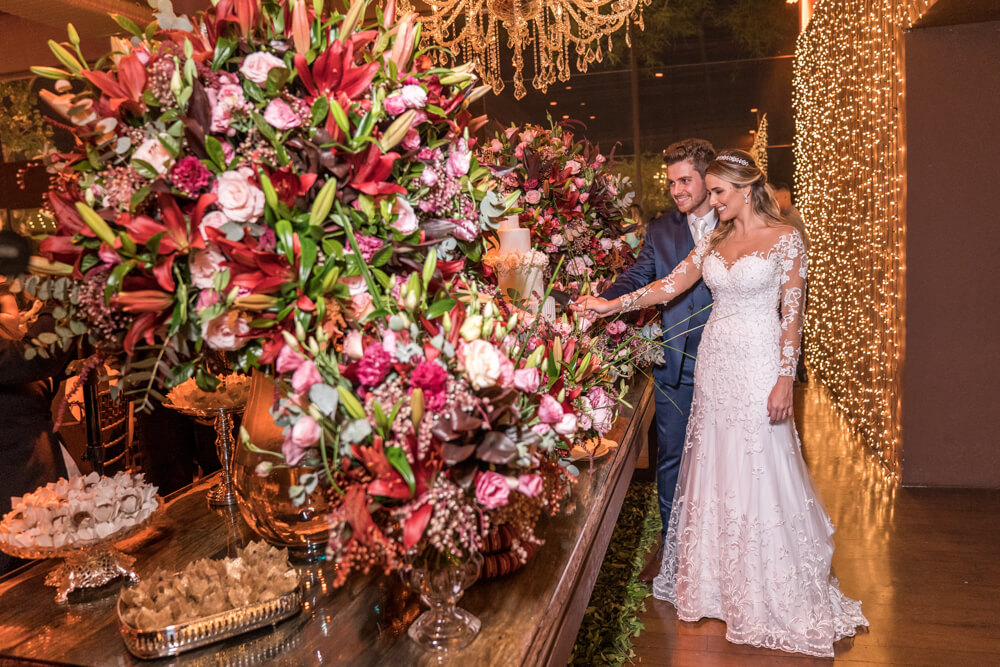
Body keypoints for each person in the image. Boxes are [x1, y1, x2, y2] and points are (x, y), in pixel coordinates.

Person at [574, 150, 867, 657]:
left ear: (745, 187)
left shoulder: (786, 240)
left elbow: (792, 317)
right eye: (709, 192)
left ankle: (764, 583)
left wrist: (784, 379)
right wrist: (610, 304)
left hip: (758, 365)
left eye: (718, 192)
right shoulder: (713, 237)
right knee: (713, 465)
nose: (710, 201)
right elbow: (668, 286)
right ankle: (715, 583)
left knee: (758, 465)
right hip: (715, 364)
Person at [599, 138, 717, 582]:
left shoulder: (736, 223)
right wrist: (604, 298)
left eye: (686, 180)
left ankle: (719, 550)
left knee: (726, 459)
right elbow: (639, 275)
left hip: (728, 362)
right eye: (672, 182)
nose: (678, 190)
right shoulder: (662, 230)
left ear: (709, 178)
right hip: (676, 363)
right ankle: (673, 553)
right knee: (672, 458)